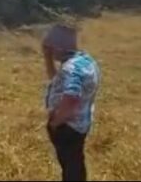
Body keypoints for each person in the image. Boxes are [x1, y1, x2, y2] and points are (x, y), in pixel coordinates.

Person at [43, 24, 100, 182]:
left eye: (50, 47)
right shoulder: (85, 61)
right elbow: (57, 81)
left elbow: (71, 98)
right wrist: (47, 57)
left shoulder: (70, 69)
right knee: (74, 165)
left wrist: (56, 122)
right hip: (81, 123)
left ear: (59, 47)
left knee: (71, 169)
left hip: (67, 127)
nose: (50, 51)